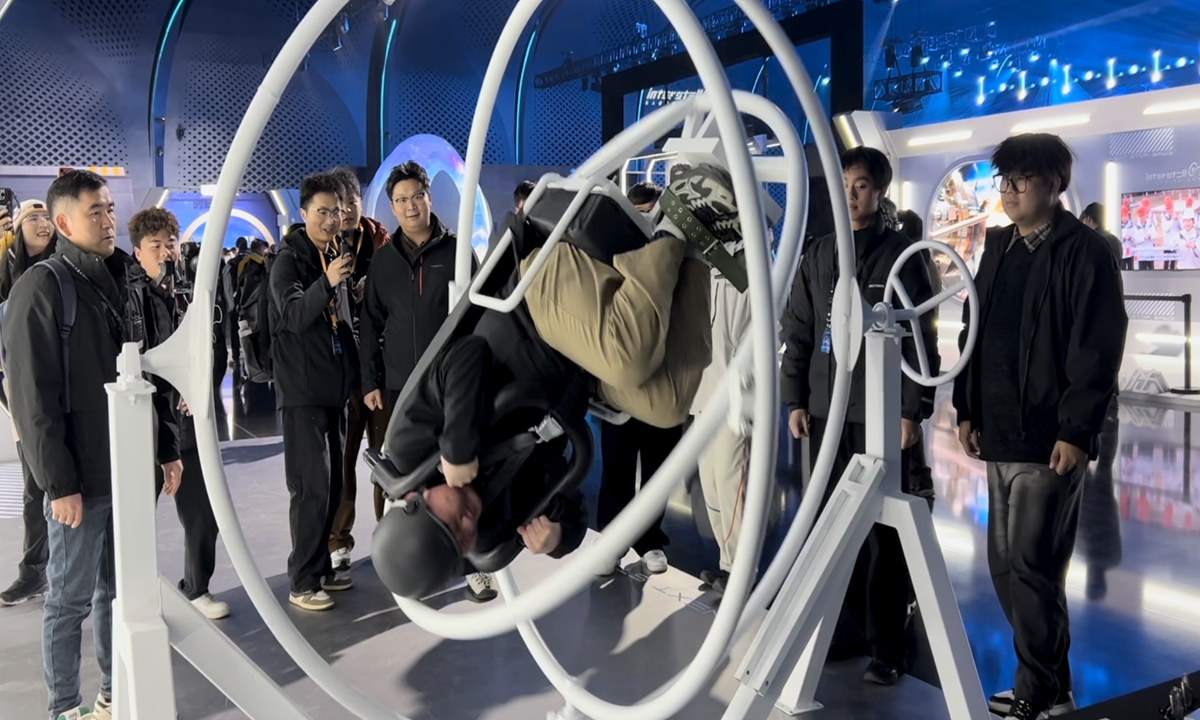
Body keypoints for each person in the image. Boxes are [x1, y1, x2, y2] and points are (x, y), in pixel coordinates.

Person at [373, 162, 720, 598]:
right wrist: (558, 540)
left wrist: (458, 447)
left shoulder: (409, 450)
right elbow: (565, 500)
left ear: (414, 501)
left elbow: (465, 355)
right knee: (666, 405)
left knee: (626, 356)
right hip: (571, 372)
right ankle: (693, 246)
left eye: (449, 519)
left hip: (534, 299)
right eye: (462, 537)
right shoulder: (490, 531)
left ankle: (679, 213)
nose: (467, 520)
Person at [953, 133, 1127, 720]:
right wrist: (965, 406)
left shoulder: (1086, 251)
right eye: (1003, 180)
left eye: (1020, 180)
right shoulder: (998, 246)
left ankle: (1037, 691)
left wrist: (1077, 432)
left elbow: (1098, 349)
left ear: (1053, 183)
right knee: (1007, 567)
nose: (1008, 191)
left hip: (1049, 438)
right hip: (998, 432)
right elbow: (974, 330)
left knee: (1032, 564)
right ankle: (1053, 685)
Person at [3, 170, 182, 720]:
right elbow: (33, 399)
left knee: (116, 592)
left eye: (110, 209)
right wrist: (59, 484)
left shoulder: (125, 278)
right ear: (62, 223)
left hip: (129, 472)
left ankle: (111, 692)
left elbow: (147, 369)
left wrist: (167, 445)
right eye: (95, 212)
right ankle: (64, 707)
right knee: (68, 600)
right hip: (79, 479)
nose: (109, 221)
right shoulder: (42, 286)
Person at [781, 146, 940, 687]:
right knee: (830, 527)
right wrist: (794, 400)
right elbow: (799, 331)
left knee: (884, 537)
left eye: (863, 184)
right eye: (845, 183)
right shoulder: (819, 253)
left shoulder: (902, 256)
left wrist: (911, 410)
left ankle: (886, 648)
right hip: (827, 417)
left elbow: (922, 338)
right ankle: (843, 633)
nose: (852, 193)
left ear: (881, 191)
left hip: (879, 418)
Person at [358, 161, 496, 599]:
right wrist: (371, 381)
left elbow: (479, 318)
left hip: (454, 386)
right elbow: (370, 323)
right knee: (400, 476)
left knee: (460, 474)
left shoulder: (457, 252)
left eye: (416, 196)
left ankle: (474, 563)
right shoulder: (382, 262)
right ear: (392, 207)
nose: (409, 206)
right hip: (402, 388)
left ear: (429, 198)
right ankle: (402, 550)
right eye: (400, 200)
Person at [128, 207, 231, 621]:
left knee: (204, 513)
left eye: (170, 243)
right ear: (138, 253)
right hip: (147, 424)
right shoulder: (130, 296)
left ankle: (197, 588)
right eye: (155, 246)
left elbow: (216, 346)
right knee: (136, 515)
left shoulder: (193, 291)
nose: (165, 252)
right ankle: (135, 595)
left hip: (192, 422)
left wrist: (200, 386)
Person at [270, 173, 357, 612]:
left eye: (336, 211)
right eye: (321, 212)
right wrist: (326, 282)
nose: (330, 219)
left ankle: (320, 566)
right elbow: (292, 316)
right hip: (301, 392)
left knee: (334, 484)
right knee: (310, 488)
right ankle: (302, 580)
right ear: (303, 215)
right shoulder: (289, 261)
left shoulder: (336, 254)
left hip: (332, 391)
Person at [595, 178, 675, 577]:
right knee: (617, 467)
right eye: (637, 215)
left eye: (650, 215)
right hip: (622, 386)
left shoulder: (676, 256)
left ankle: (650, 540)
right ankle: (611, 542)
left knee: (660, 468)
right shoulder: (612, 255)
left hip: (666, 384)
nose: (645, 224)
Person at [325, 167, 390, 585]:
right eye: (338, 204)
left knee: (388, 460)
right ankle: (338, 543)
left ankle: (390, 538)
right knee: (343, 462)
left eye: (352, 202)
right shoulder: (322, 248)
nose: (346, 211)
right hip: (342, 374)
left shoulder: (384, 244)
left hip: (384, 372)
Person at [0, 199, 58, 608]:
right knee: (34, 493)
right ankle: (34, 572)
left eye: (47, 218)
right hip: (25, 403)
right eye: (32, 218)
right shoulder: (6, 278)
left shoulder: (66, 272)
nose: (42, 224)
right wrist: (14, 410)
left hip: (66, 398)